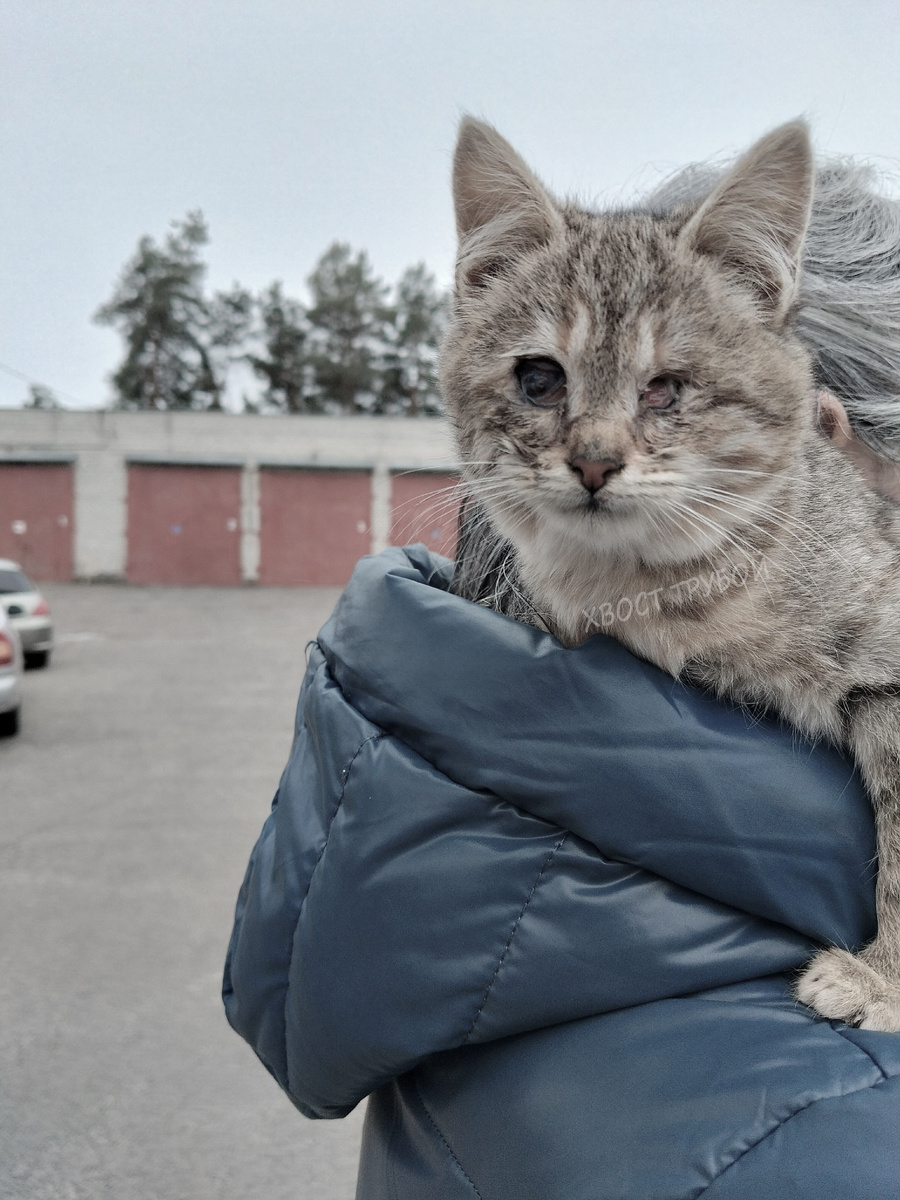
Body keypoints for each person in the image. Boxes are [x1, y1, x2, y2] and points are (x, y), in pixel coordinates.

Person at [224, 158, 900, 1199]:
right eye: (542, 383)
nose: (595, 447)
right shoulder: (837, 1135)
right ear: (822, 444)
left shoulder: (448, 827)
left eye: (663, 392)